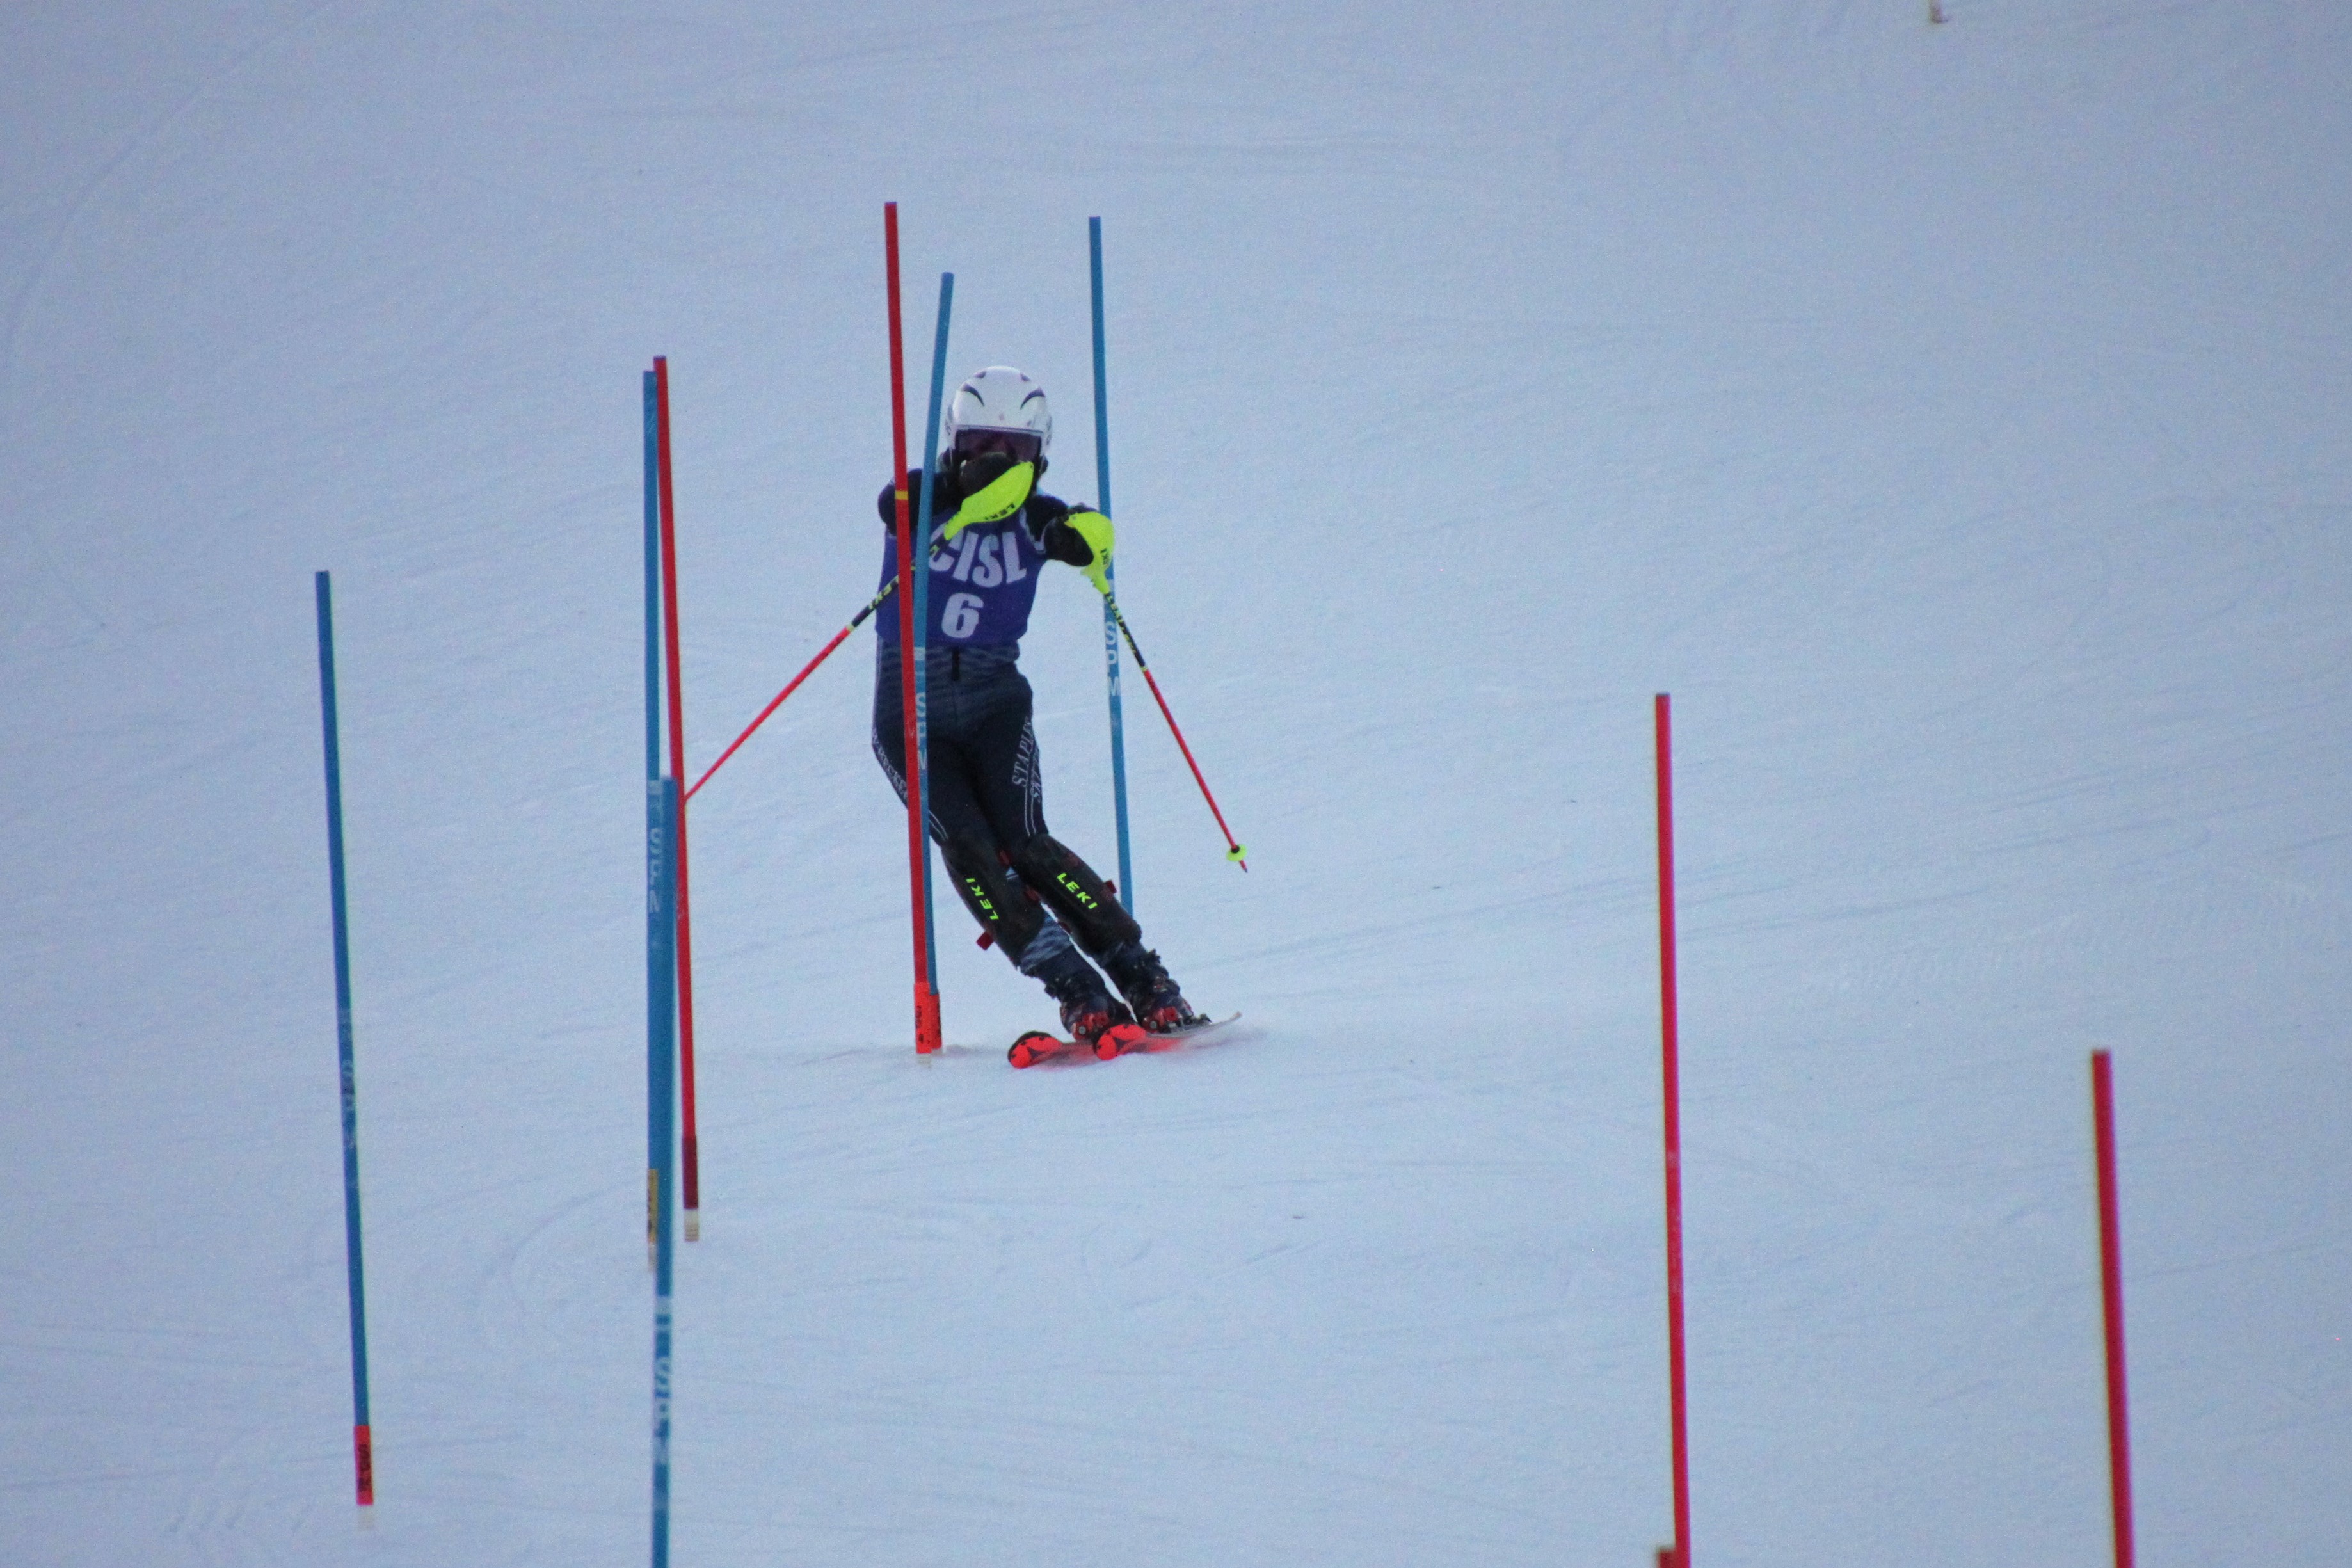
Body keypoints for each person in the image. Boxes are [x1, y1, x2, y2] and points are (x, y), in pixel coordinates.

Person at [870, 365, 1203, 1050]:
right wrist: (959, 490)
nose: (995, 462)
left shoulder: (1034, 516)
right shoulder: (923, 497)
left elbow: (1081, 528)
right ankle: (1074, 987)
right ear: (954, 445)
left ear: (1039, 455)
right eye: (978, 445)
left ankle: (1140, 974)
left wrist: (1083, 538)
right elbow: (893, 500)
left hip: (994, 697)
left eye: (1014, 450)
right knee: (970, 847)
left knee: (1027, 844)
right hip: (911, 705)